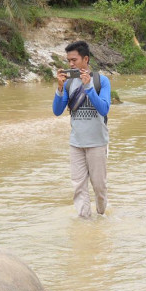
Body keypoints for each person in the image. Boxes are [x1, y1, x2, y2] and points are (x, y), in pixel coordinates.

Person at [52, 40, 112, 218]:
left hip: (97, 143)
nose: (70, 64)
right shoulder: (69, 83)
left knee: (99, 186)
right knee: (78, 185)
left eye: (74, 60)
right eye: (68, 60)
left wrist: (88, 87)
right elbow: (57, 111)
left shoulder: (101, 81)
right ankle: (84, 220)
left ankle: (101, 215)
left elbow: (104, 109)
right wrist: (60, 88)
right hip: (76, 143)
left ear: (85, 59)